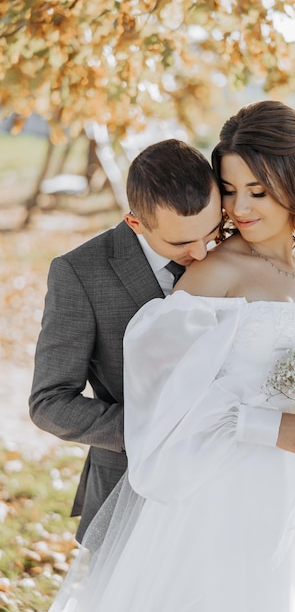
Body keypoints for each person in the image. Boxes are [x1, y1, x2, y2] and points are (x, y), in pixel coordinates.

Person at [47, 101, 295, 612]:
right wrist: (271, 427)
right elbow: (166, 406)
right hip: (215, 490)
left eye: (257, 192)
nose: (239, 209)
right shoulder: (212, 275)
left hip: (289, 488)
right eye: (229, 190)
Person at [29, 139, 223, 542]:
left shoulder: (240, 246)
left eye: (212, 230)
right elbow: (49, 403)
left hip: (228, 486)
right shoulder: (79, 274)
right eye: (180, 243)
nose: (203, 253)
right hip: (129, 490)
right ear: (135, 222)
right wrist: (155, 430)